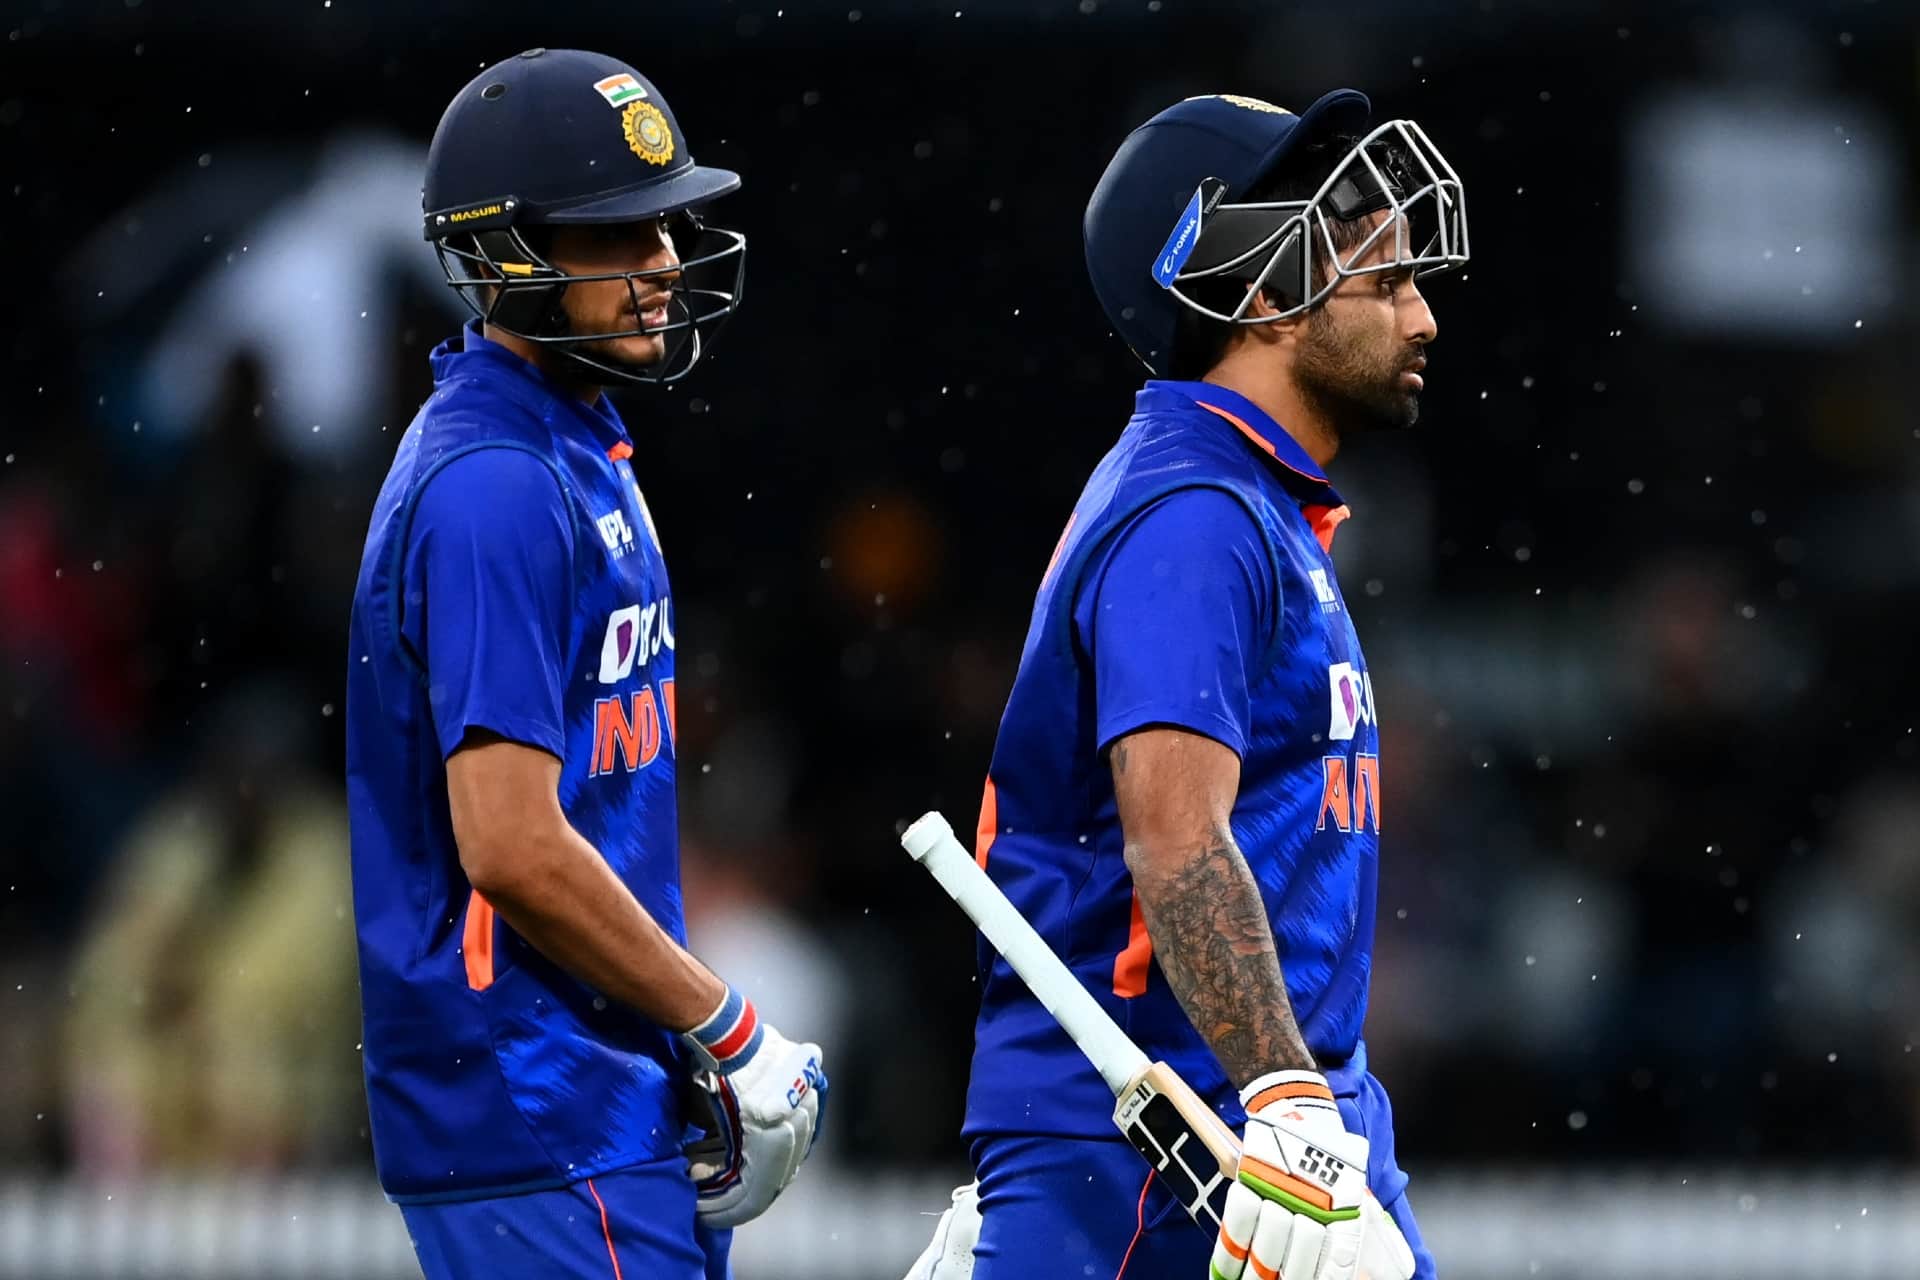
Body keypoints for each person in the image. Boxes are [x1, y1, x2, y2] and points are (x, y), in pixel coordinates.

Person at [910, 89, 1468, 1279]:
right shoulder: (1197, 516)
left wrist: (1308, 1103)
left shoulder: (1247, 500)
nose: (1423, 315)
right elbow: (1176, 840)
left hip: (1270, 1112)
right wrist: (1288, 1101)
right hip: (1163, 1134)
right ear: (1260, 293)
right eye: (1384, 281)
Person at [345, 49, 826, 1280]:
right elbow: (509, 842)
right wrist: (726, 1022)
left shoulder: (565, 442)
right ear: (506, 250)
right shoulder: (498, 483)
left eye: (666, 224)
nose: (664, 258)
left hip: (588, 1096)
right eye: (619, 230)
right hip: (534, 1099)